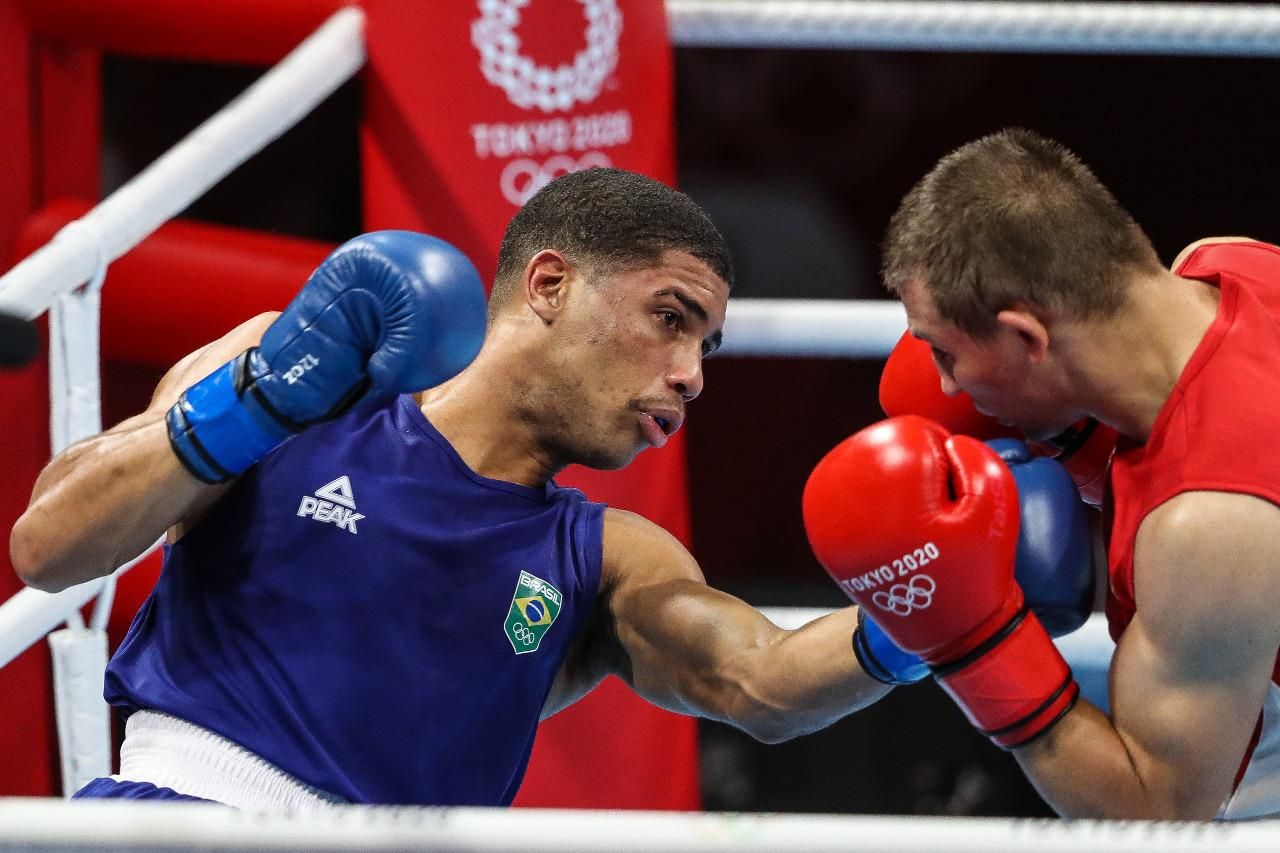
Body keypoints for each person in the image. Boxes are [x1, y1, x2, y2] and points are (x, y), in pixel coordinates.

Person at [11, 167, 910, 809]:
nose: (690, 375)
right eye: (669, 318)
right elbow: (47, 547)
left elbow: (759, 676)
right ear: (550, 284)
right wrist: (259, 399)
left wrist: (926, 612)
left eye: (703, 347)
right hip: (177, 819)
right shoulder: (300, 384)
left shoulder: (605, 556)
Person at [803, 128, 1280, 820]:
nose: (945, 386)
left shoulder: (1208, 523)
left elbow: (1155, 810)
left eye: (945, 352)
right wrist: (1080, 443)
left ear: (1027, 337)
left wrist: (977, 643)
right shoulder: (1230, 266)